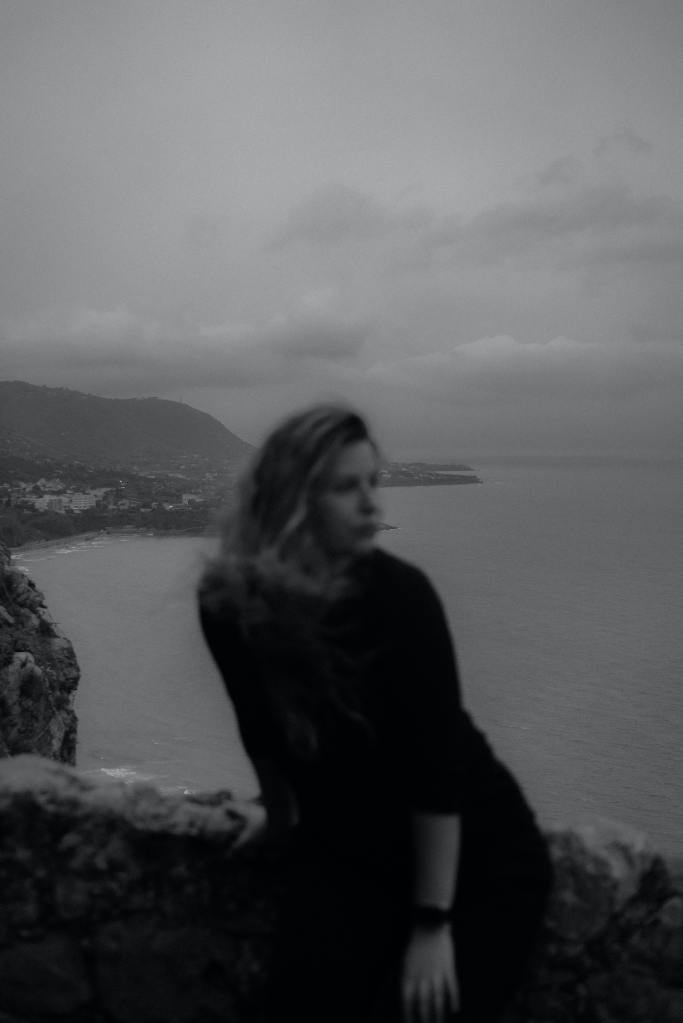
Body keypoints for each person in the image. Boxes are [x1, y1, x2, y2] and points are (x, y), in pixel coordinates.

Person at [198, 404, 552, 1023]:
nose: (371, 505)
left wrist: (432, 924)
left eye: (373, 482)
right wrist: (278, 820)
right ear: (291, 501)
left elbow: (438, 770)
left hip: (479, 861)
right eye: (346, 487)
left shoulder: (401, 598)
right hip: (347, 850)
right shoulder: (228, 604)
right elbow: (257, 725)